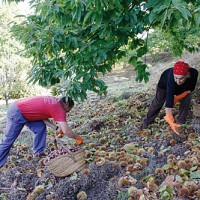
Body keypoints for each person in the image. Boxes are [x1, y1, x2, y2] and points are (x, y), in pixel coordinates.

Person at [0, 96, 83, 168]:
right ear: (67, 105)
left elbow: (41, 115)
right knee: (8, 141)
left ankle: (38, 154)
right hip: (17, 112)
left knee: (40, 128)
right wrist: (77, 137)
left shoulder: (55, 101)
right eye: (68, 110)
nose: (67, 112)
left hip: (24, 110)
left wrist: (57, 128)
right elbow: (66, 131)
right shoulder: (59, 108)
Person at [142, 61, 198, 135]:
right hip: (164, 86)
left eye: (181, 78)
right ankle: (146, 122)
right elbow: (169, 97)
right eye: (176, 78)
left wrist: (179, 97)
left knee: (186, 100)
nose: (178, 81)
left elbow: (191, 88)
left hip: (183, 89)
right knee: (158, 102)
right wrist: (170, 118)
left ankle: (181, 122)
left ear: (187, 75)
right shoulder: (171, 77)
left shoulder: (194, 73)